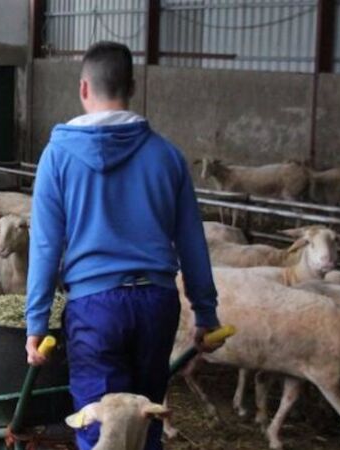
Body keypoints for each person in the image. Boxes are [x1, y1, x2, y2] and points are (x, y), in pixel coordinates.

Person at [24, 42, 221, 450]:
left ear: (83, 88)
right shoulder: (167, 156)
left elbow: (45, 246)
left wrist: (36, 324)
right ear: (132, 87)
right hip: (156, 304)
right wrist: (205, 312)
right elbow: (191, 241)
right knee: (144, 418)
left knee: (100, 424)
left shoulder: (57, 156)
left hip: (95, 308)